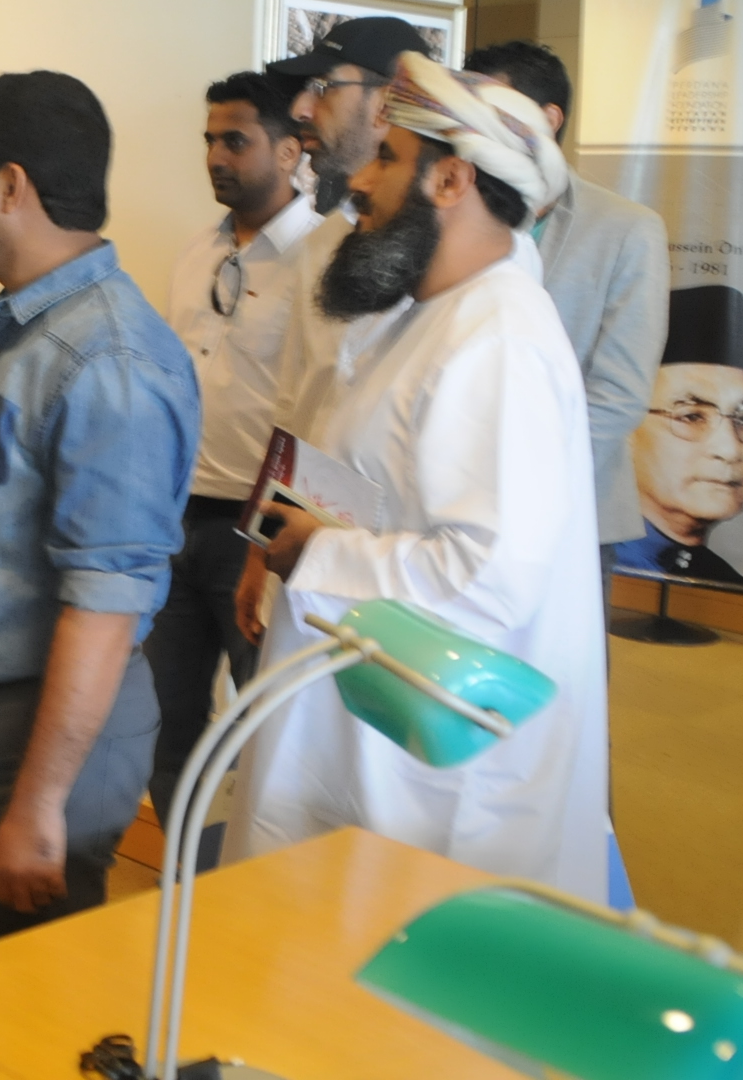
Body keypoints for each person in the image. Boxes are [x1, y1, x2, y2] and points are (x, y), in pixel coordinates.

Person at [226, 52, 611, 901]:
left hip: (434, 768)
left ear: (451, 180)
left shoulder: (498, 341)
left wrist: (318, 552)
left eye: (387, 158)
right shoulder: (428, 312)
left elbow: (488, 576)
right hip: (364, 721)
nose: (360, 182)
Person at [0, 71, 199, 948]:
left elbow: (106, 603)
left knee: (26, 985)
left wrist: (38, 806)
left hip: (33, 733)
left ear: (11, 185)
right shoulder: (39, 330)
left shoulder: (107, 359)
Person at [148, 72, 321, 817]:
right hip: (176, 519)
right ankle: (180, 869)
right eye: (211, 141)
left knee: (267, 728)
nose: (217, 157)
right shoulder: (197, 252)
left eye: (236, 141)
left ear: (289, 151)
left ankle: (250, 877)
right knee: (166, 721)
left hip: (260, 534)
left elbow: (314, 412)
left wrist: (264, 539)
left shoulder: (322, 259)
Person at [231, 17, 436, 630]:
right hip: (305, 553)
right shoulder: (323, 246)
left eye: (324, 88)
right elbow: (296, 407)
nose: (302, 109)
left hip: (401, 577)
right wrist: (259, 546)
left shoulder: (440, 258)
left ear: (387, 102)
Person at [464, 41, 670, 616]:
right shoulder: (455, 206)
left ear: (547, 118)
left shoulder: (626, 229)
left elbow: (619, 394)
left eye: (490, 105)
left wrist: (526, 483)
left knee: (562, 664)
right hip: (456, 497)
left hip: (567, 507)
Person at [617, 284, 743, 593]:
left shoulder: (738, 595)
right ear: (627, 425)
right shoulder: (585, 566)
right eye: (691, 416)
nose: (730, 449)